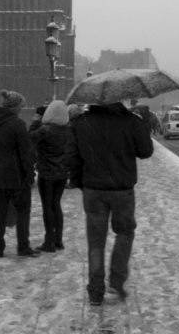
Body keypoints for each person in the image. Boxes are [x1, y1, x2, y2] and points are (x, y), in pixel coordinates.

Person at [66, 101, 154, 305]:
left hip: (94, 189)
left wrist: (79, 182)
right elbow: (145, 151)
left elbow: (72, 156)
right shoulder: (131, 121)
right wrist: (143, 123)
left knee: (96, 241)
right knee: (124, 233)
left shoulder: (81, 123)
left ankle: (95, 291)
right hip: (122, 188)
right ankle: (116, 281)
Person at [0, 89, 40, 258]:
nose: (22, 109)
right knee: (22, 211)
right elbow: (25, 153)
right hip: (16, 177)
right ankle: (23, 247)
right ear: (14, 107)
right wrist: (30, 174)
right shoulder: (18, 124)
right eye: (21, 106)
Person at [29, 99, 69, 252]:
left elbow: (30, 137)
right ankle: (58, 240)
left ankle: (49, 242)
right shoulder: (68, 130)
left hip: (46, 174)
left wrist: (37, 117)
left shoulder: (45, 130)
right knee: (56, 205)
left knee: (48, 207)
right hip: (62, 174)